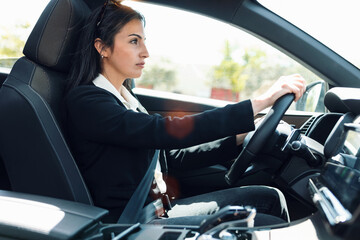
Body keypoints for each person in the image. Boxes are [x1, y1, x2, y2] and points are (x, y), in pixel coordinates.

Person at [65, 0, 306, 225]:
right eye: (134, 41)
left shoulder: (126, 99)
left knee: (266, 197)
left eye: (144, 41)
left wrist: (238, 137)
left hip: (160, 208)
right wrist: (260, 102)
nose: (146, 52)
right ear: (102, 47)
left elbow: (171, 157)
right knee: (267, 200)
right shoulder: (87, 101)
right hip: (134, 223)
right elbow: (164, 131)